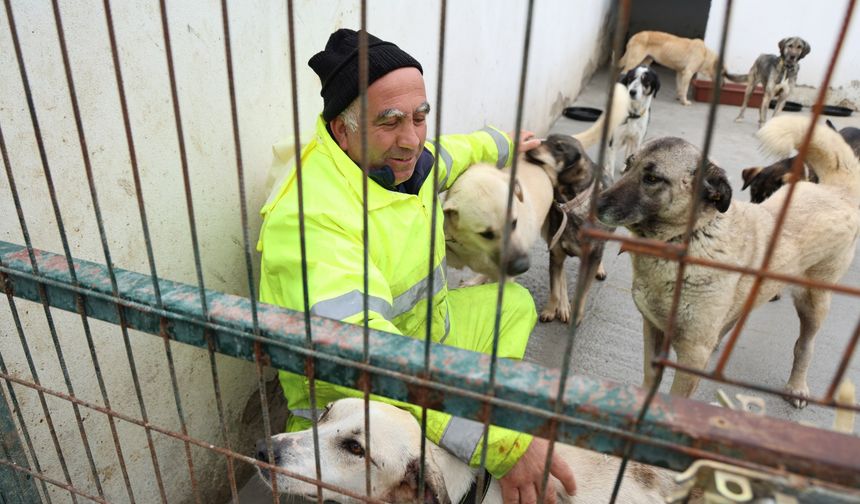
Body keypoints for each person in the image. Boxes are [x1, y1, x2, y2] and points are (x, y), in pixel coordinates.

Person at [258, 28, 576, 502]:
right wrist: (505, 446)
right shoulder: (311, 214)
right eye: (389, 121)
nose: (411, 140)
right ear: (343, 129)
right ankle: (465, 432)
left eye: (420, 116)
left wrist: (506, 142)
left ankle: (470, 415)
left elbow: (460, 149)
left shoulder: (406, 163)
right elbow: (364, 354)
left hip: (425, 348)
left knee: (512, 301)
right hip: (350, 404)